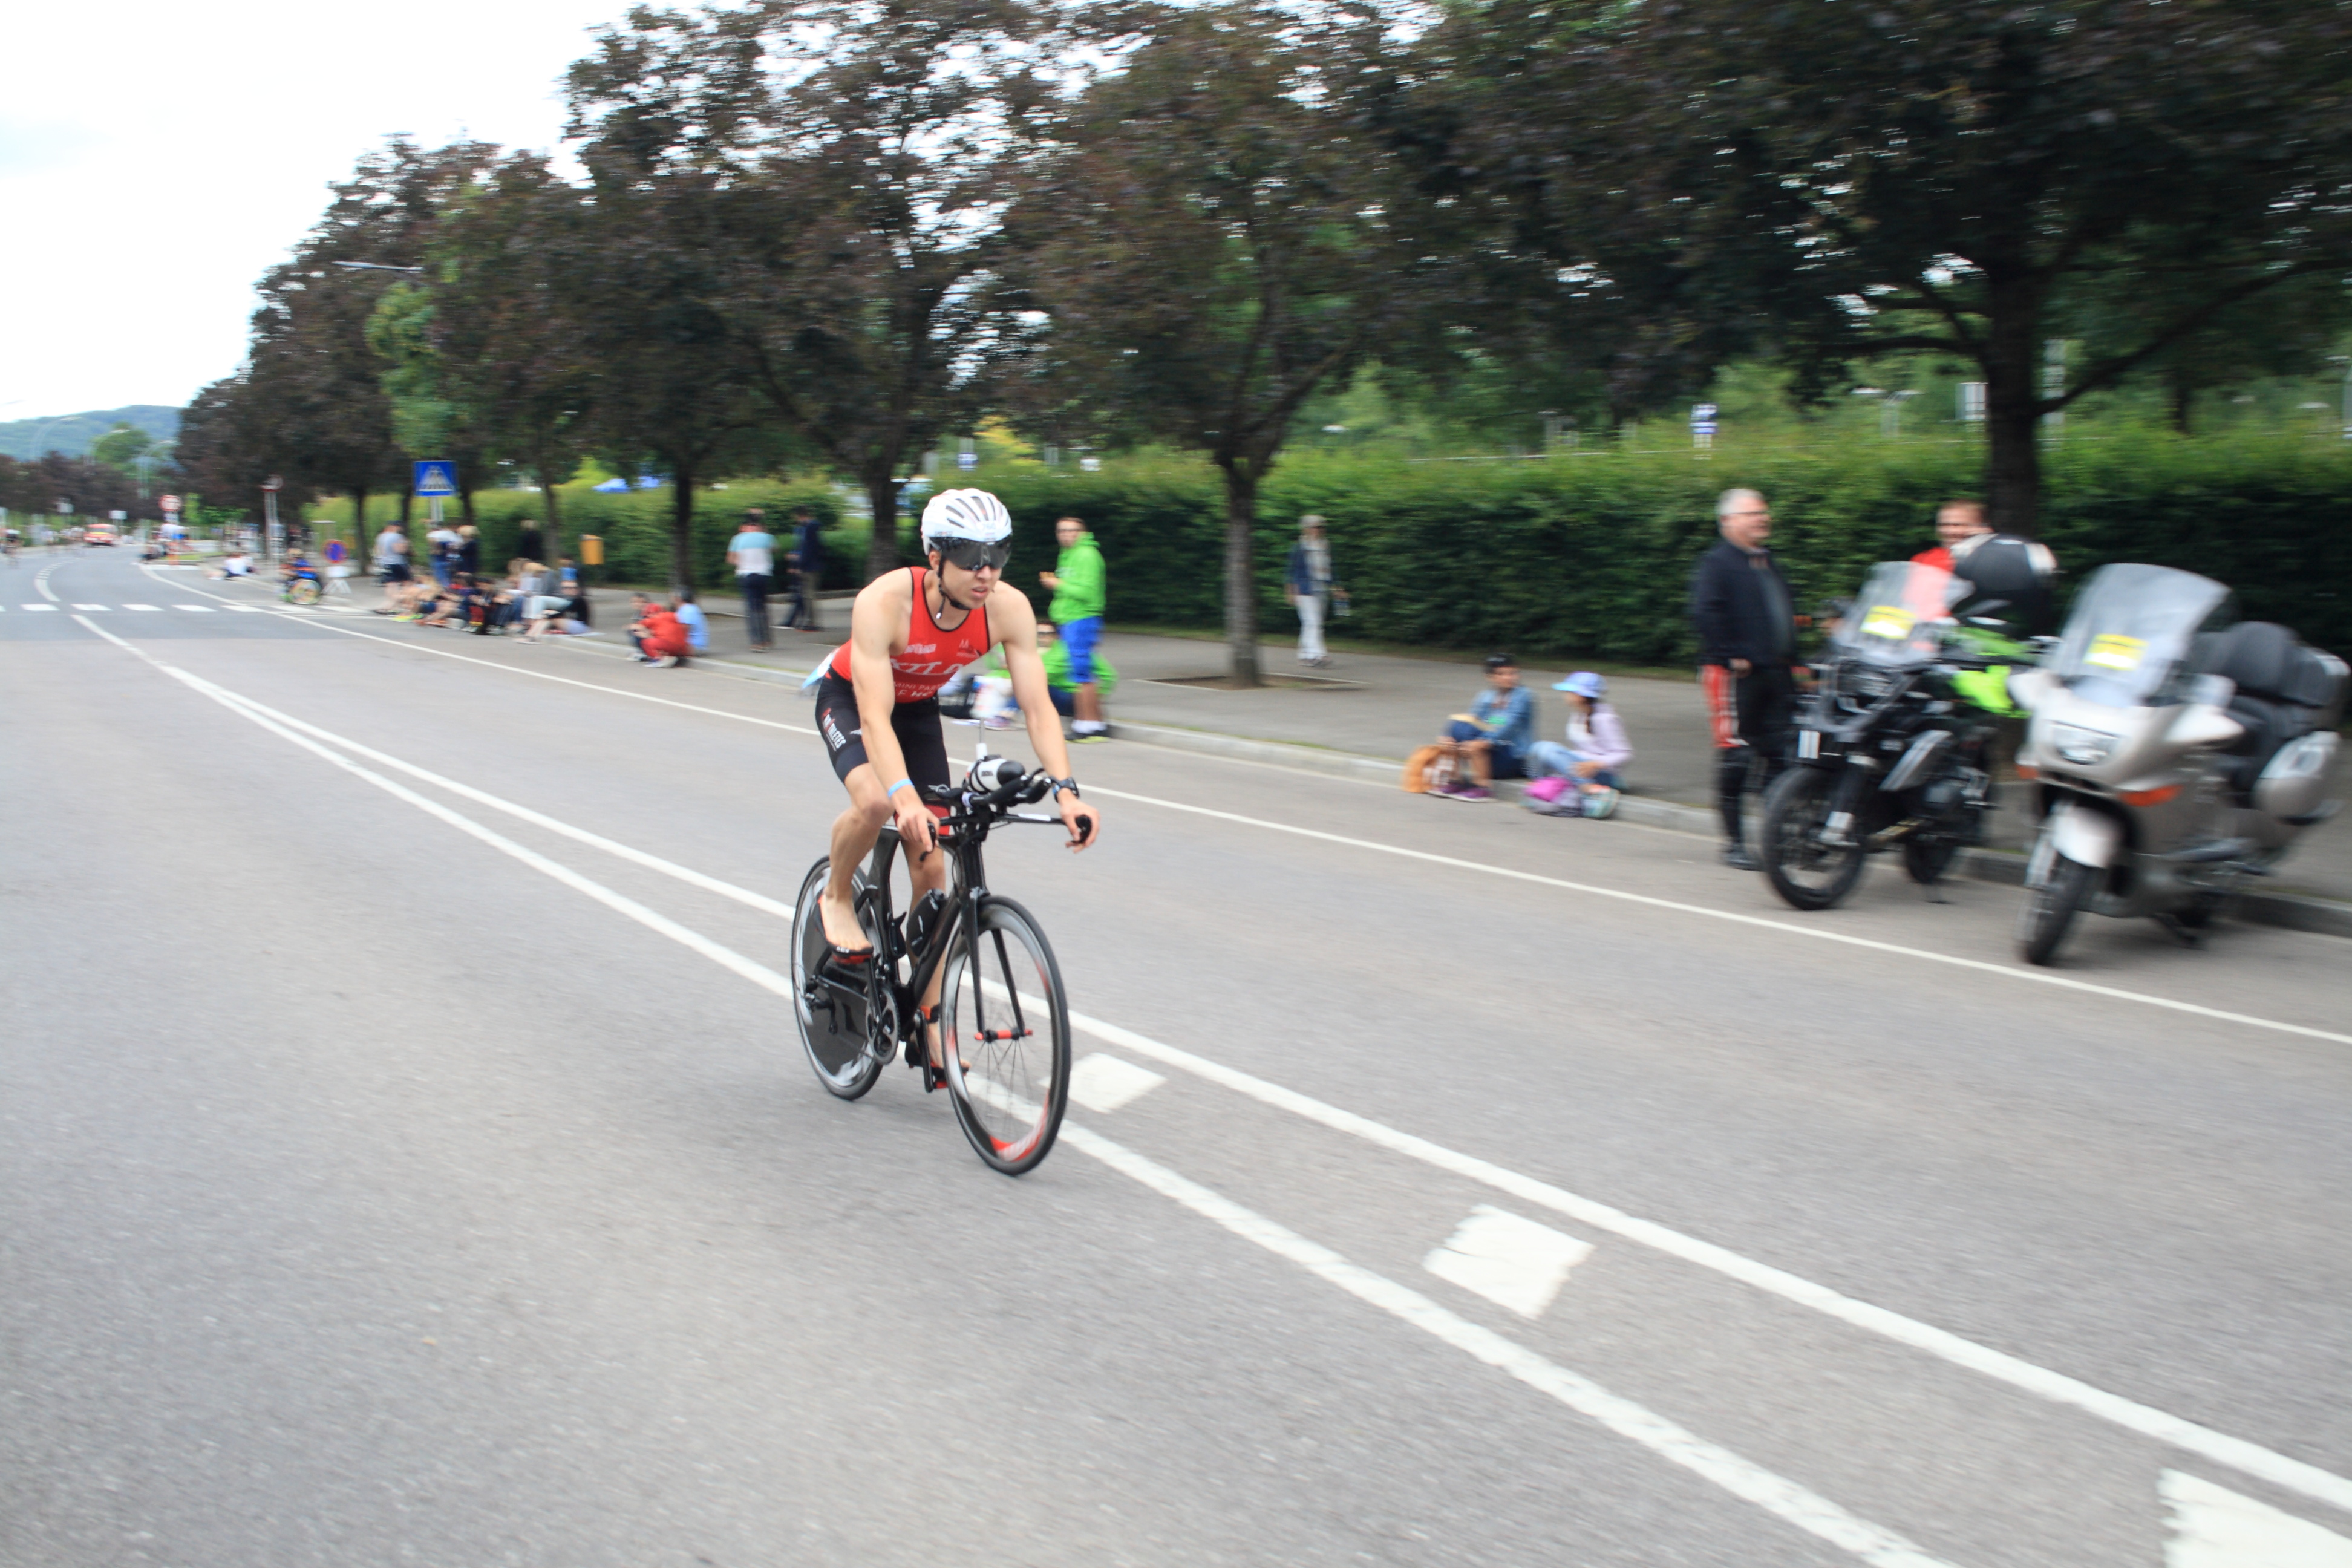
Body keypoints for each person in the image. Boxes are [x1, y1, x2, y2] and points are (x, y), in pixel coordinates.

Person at [809, 488, 1102, 1080]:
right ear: (935, 557)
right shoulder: (883, 602)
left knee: (933, 865)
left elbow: (1038, 708)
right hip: (853, 701)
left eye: (998, 556)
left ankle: (930, 1022)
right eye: (971, 557)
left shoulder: (1008, 607)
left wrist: (1068, 791)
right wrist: (904, 798)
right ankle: (836, 895)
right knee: (876, 803)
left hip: (917, 709)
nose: (986, 572)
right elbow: (874, 718)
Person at [1693, 487, 1801, 869]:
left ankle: (1776, 839)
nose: (1762, 519)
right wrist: (1729, 654)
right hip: (1737, 676)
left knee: (1781, 754)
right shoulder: (1718, 563)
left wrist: (1796, 662)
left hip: (1776, 673)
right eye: (1753, 513)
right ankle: (1734, 843)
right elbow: (1705, 612)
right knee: (1737, 754)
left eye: (1764, 512)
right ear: (1729, 521)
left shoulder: (1766, 561)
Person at [971, 621, 1122, 728]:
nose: (1042, 637)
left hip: (1071, 699)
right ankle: (994, 713)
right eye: (1039, 634)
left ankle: (1005, 717)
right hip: (1051, 697)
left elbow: (1109, 675)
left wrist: (1096, 698)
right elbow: (997, 667)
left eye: (1048, 634)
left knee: (1033, 684)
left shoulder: (1065, 651)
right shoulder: (1036, 650)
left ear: (1057, 636)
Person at [1039, 515, 1109, 741]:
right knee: (1082, 672)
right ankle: (1096, 723)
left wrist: (1058, 584)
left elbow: (1087, 592)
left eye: (1072, 530)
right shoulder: (1068, 554)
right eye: (1061, 531)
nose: (1066, 535)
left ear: (1082, 533)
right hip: (1071, 620)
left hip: (1081, 619)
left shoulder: (1087, 555)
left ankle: (1085, 725)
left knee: (1081, 674)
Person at [1429, 653, 1536, 801]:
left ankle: (1483, 787)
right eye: (1502, 674)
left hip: (1513, 756)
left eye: (1513, 673)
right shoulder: (1486, 696)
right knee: (1459, 726)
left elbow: (1509, 724)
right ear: (1490, 677)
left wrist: (1485, 741)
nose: (1509, 678)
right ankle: (1455, 781)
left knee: (1473, 734)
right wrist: (1446, 737)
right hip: (1491, 752)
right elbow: (1472, 721)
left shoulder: (1523, 696)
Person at [1524, 672, 1632, 817]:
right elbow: (1582, 749)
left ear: (1580, 696)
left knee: (1547, 749)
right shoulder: (1578, 715)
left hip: (1600, 773)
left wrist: (1596, 764)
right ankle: (1540, 785)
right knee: (1536, 749)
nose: (1565, 695)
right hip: (1581, 767)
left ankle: (1587, 789)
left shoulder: (1605, 719)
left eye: (1569, 692)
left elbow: (1623, 753)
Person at [1285, 515, 1342, 667]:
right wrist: (1290, 591)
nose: (1316, 530)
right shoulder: (1299, 547)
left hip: (1321, 589)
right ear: (1306, 529)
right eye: (1313, 527)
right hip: (1304, 589)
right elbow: (1291, 571)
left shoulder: (1325, 546)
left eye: (1319, 527)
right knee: (1313, 622)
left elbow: (1331, 568)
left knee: (1313, 623)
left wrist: (1337, 587)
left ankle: (1304, 655)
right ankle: (1316, 655)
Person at [728, 511, 777, 650]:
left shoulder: (738, 539)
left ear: (745, 526)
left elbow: (731, 559)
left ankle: (756, 642)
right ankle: (767, 640)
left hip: (746, 575)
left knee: (752, 609)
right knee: (762, 607)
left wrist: (741, 563)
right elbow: (774, 549)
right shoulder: (767, 537)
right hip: (764, 575)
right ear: (760, 525)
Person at [785, 507, 826, 632]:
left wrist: (799, 564)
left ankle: (811, 622)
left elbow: (808, 550)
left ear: (799, 516)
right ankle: (810, 621)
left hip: (809, 567)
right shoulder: (812, 528)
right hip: (812, 565)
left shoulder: (808, 529)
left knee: (809, 595)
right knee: (808, 595)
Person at [627, 592, 690, 667]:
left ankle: (657, 659)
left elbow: (636, 626)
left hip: (667, 644)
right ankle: (668, 657)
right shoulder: (674, 616)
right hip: (682, 648)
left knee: (646, 642)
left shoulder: (655, 619)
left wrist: (645, 634)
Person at [673, 587, 710, 655]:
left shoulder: (688, 610)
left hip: (694, 646)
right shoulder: (689, 608)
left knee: (660, 645)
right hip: (693, 645)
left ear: (678, 599)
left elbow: (684, 629)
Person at [425, 520, 460, 586]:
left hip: (441, 559)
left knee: (441, 575)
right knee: (449, 575)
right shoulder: (453, 535)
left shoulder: (437, 535)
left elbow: (435, 548)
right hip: (452, 559)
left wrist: (436, 549)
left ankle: (444, 586)